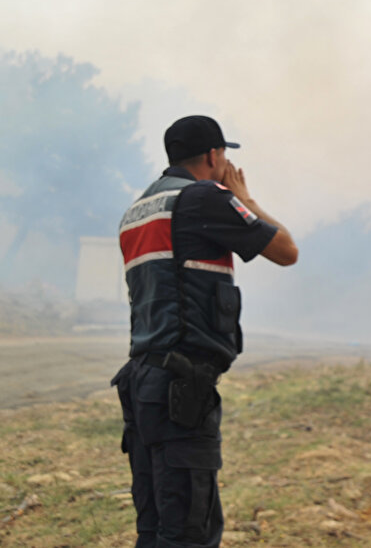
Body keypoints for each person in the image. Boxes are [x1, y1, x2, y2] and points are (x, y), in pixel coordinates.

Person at [111, 116, 298, 548]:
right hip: (182, 387)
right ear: (214, 156)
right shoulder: (205, 198)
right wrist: (244, 197)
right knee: (189, 530)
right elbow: (286, 250)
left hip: (142, 383)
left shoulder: (137, 210)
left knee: (154, 526)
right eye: (224, 157)